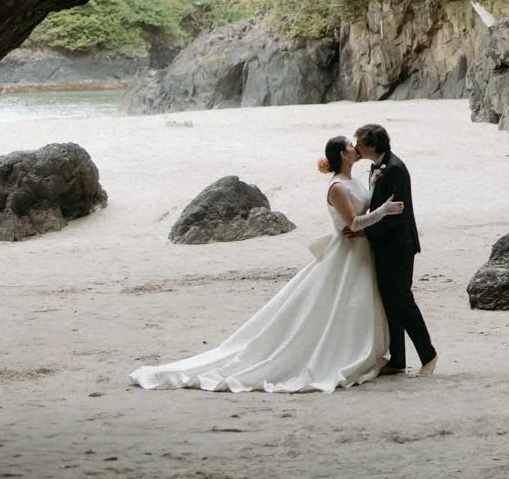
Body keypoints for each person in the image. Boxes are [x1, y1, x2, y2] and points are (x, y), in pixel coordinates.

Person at [129, 135, 401, 393]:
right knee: (338, 303)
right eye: (352, 145)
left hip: (360, 251)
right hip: (347, 252)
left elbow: (360, 215)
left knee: (354, 304)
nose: (357, 148)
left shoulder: (352, 180)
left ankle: (356, 349)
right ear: (343, 154)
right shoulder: (338, 187)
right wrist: (383, 212)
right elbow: (353, 222)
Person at [349, 123, 437, 377]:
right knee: (389, 300)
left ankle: (428, 355)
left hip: (399, 244)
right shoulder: (377, 167)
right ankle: (398, 358)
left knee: (402, 298)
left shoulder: (395, 169)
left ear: (372, 145)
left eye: (360, 144)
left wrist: (365, 230)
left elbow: (397, 214)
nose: (357, 148)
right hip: (383, 243)